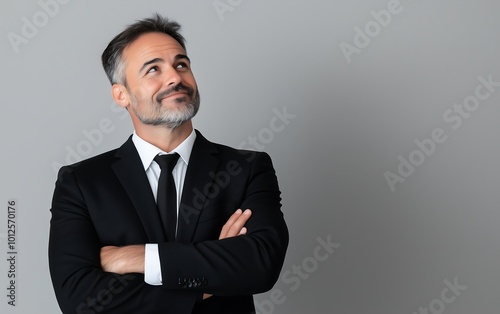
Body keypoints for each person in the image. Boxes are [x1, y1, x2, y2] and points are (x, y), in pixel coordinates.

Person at [48, 13, 288, 314]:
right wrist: (210, 277)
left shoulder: (247, 168)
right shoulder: (81, 182)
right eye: (153, 69)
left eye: (181, 64)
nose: (175, 78)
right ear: (121, 94)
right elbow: (79, 299)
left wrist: (139, 259)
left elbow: (260, 265)